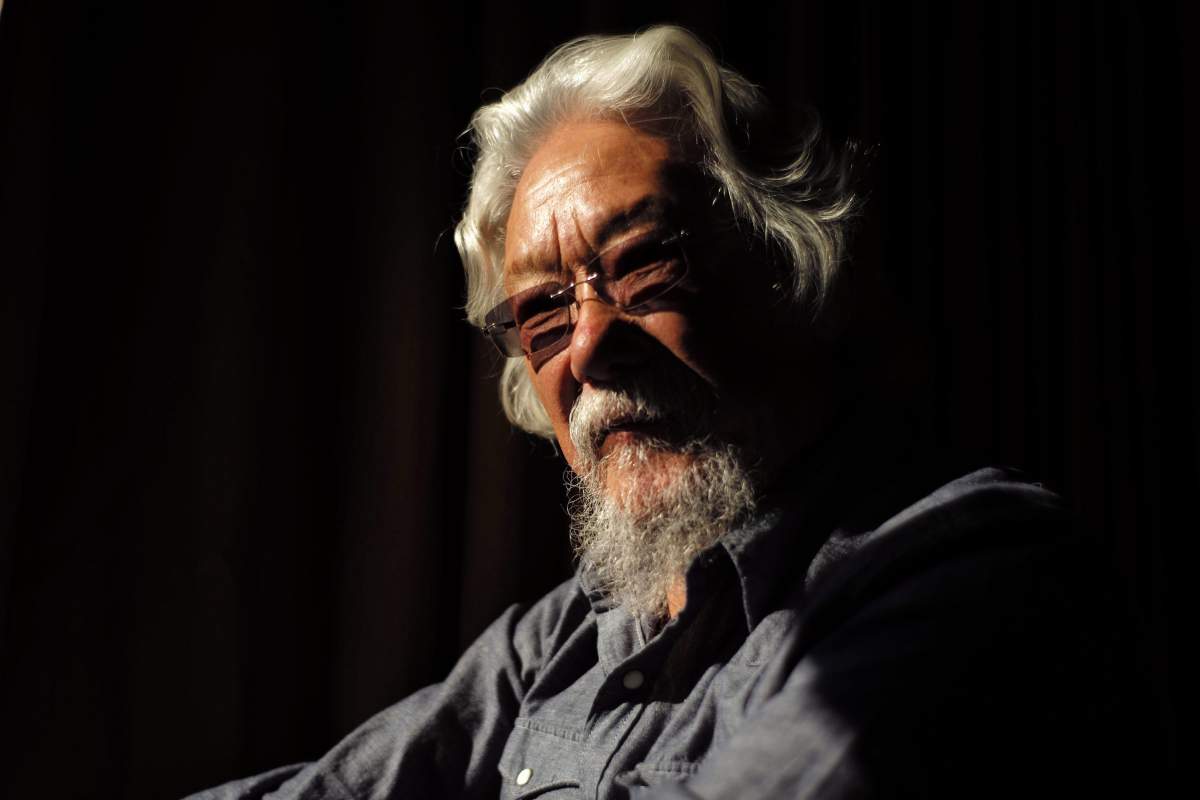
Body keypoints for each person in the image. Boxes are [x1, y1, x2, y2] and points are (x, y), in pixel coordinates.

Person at [188, 25, 1144, 800]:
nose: (593, 342)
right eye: (544, 311)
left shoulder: (967, 570)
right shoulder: (557, 641)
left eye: (645, 264)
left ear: (782, 269)